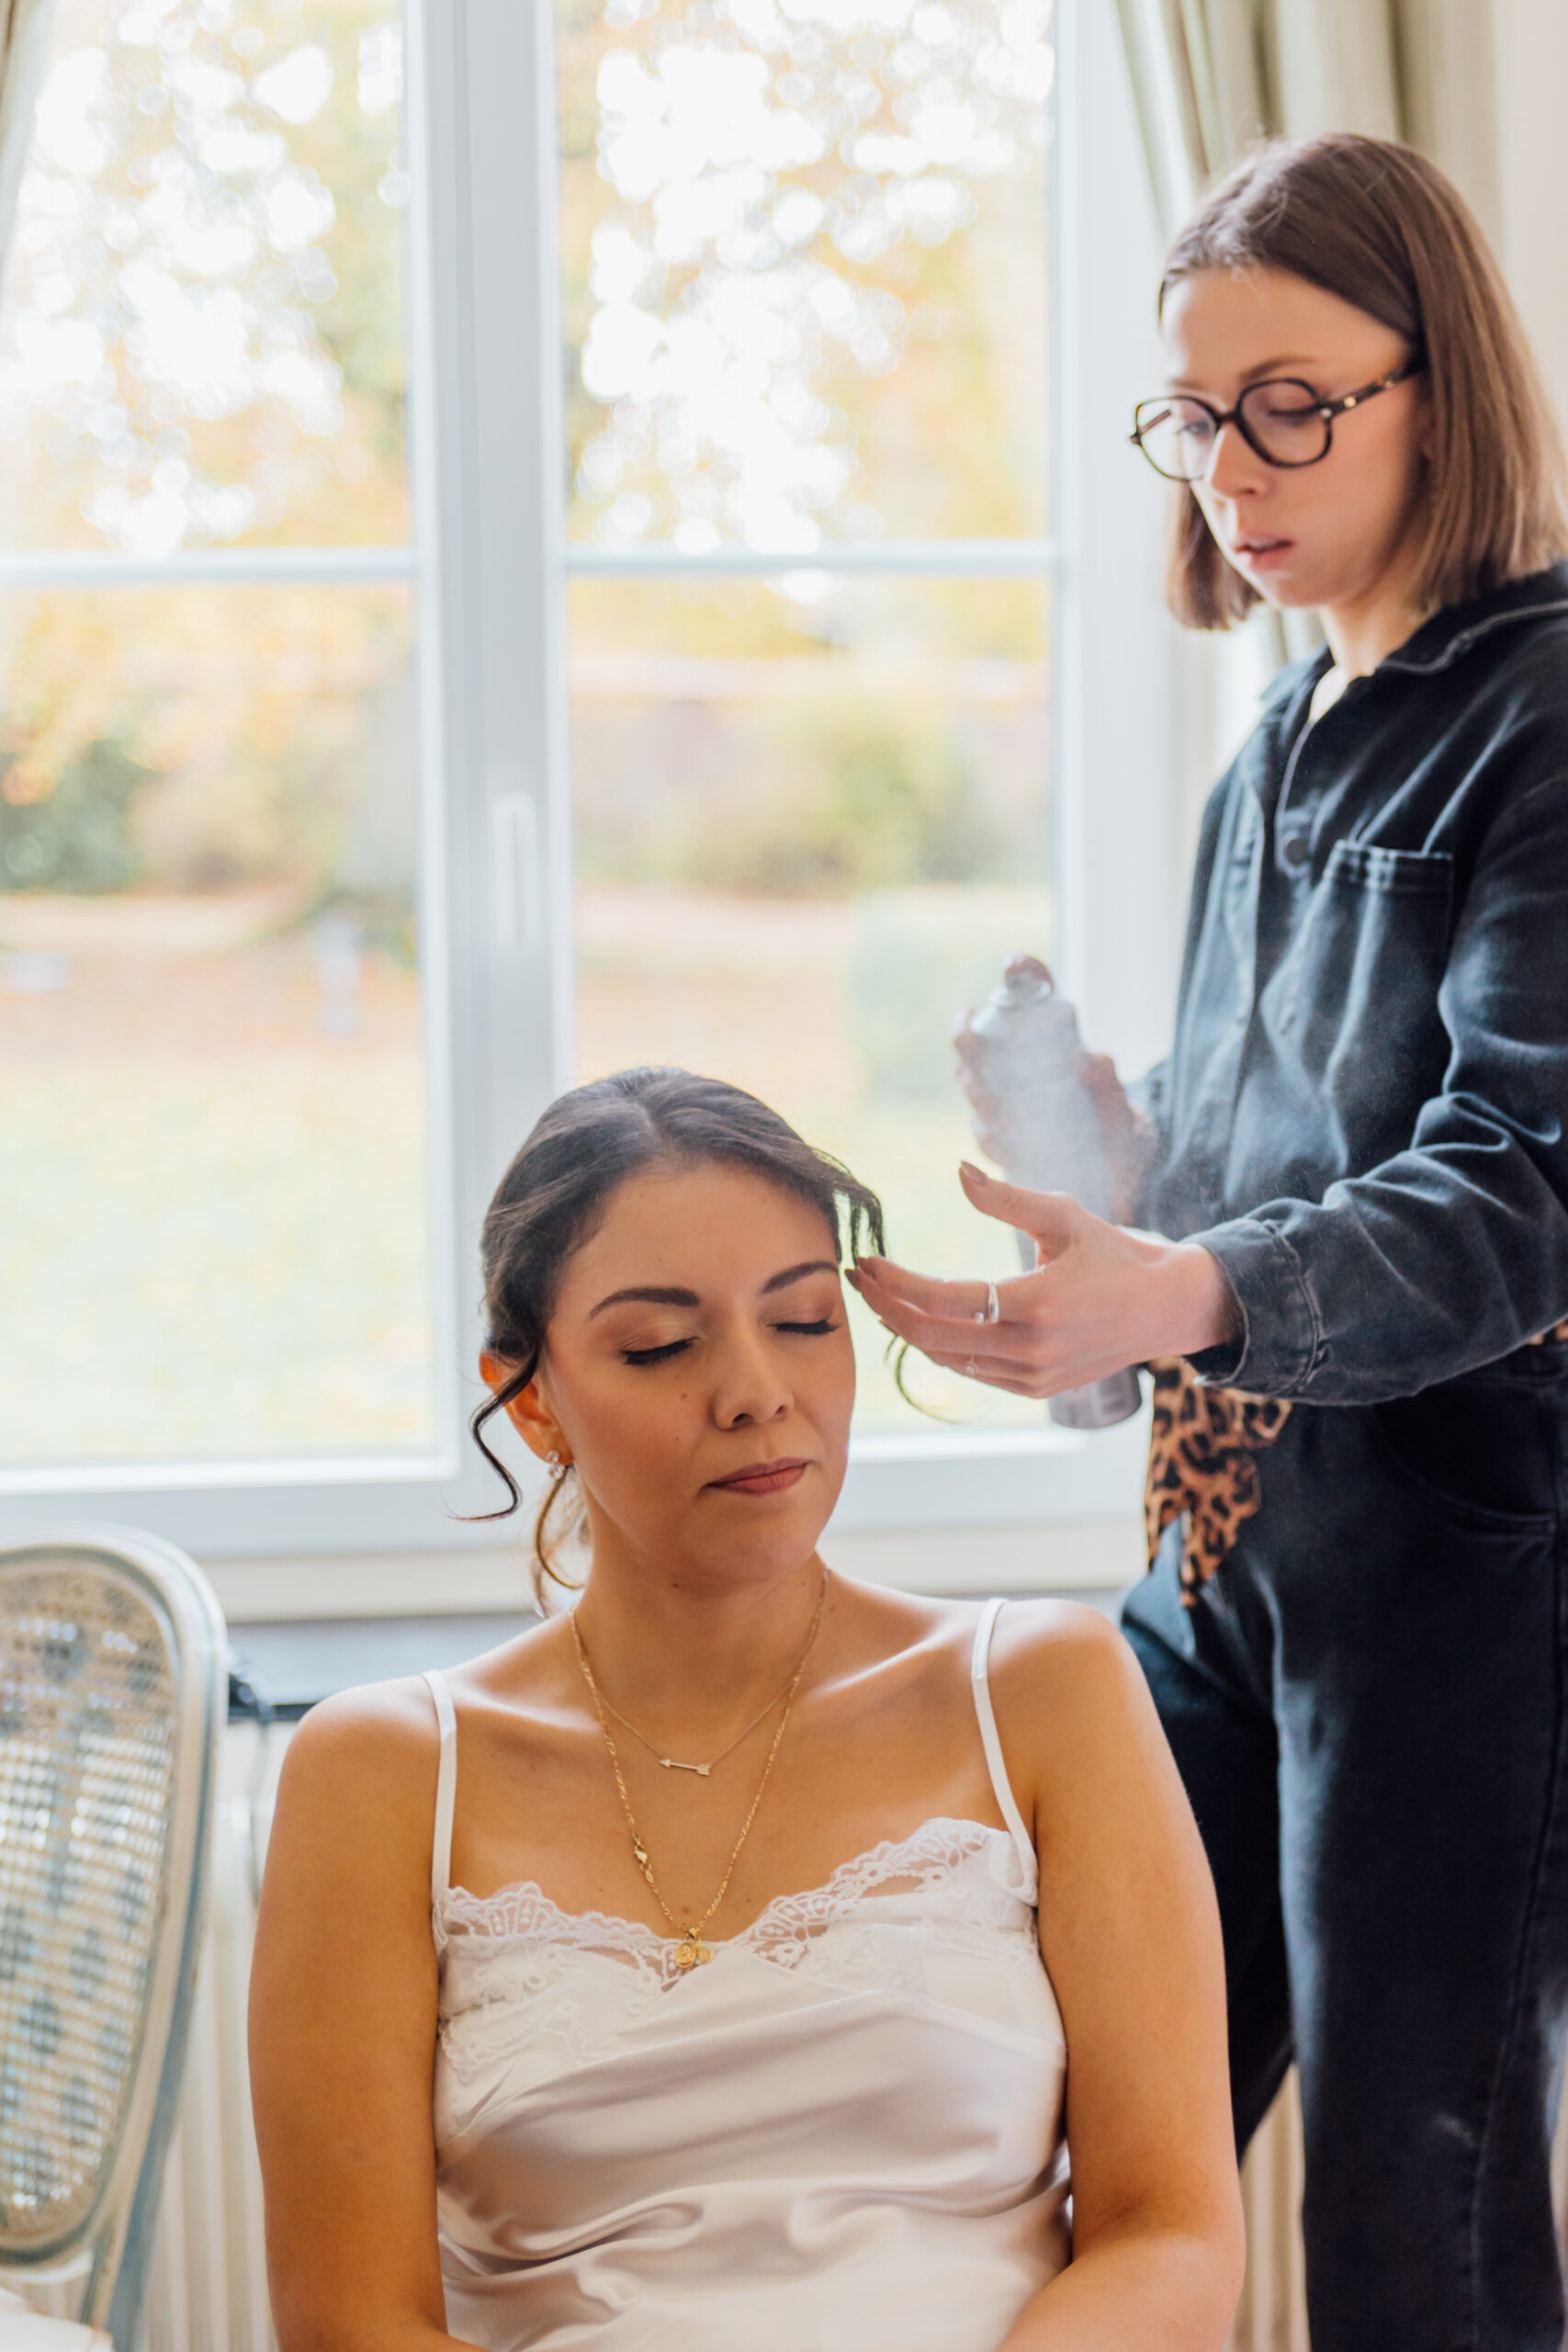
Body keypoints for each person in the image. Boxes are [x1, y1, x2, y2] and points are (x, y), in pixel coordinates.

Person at [852, 134, 1568, 2351]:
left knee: (1411, 2222)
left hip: (1458, 1587)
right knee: (1068, 2124)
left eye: (1287, 405)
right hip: (1218, 1560)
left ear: (1436, 390)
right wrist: (1100, 1150)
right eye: (1190, 414)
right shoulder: (1275, 740)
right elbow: (1271, 1151)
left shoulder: (1544, 712)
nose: (1231, 468)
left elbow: (1522, 1183)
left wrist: (1179, 1284)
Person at [247, 1068, 1241, 2352]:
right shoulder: (380, 1773)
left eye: (805, 1320)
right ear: (533, 1397)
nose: (757, 1391)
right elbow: (348, 2323)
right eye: (660, 1346)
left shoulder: (1047, 1691)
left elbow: (1170, 2235)